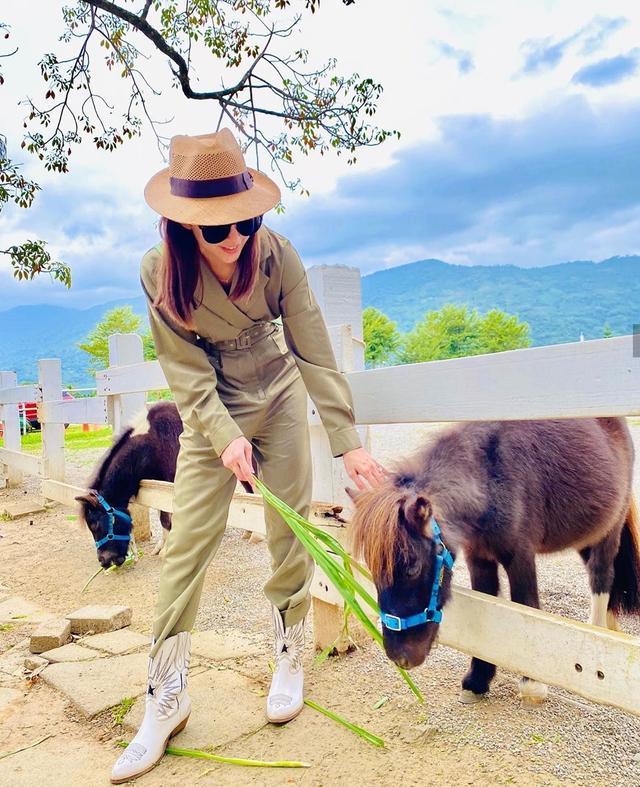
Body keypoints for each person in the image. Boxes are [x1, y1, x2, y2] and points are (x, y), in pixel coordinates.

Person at [111, 128, 387, 783]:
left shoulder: (276, 256)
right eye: (217, 228)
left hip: (281, 395)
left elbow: (315, 350)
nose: (235, 236)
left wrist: (348, 443)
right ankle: (166, 694)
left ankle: (291, 652)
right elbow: (184, 369)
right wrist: (222, 432)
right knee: (189, 544)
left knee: (286, 529)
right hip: (214, 413)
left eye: (247, 218)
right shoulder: (158, 272)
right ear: (182, 226)